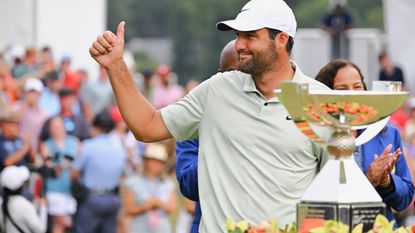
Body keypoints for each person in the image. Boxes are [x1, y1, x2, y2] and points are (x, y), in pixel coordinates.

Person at [89, 0, 329, 231]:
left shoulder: (319, 101)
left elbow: (336, 188)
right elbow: (147, 126)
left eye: (250, 36)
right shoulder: (217, 89)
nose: (239, 45)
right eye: (237, 36)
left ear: (281, 40)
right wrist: (116, 66)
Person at [315, 59, 414, 224]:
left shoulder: (387, 132)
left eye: (357, 86)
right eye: (342, 89)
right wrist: (368, 180)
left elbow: (405, 198)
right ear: (327, 94)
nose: (353, 93)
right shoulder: (316, 137)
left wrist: (387, 182)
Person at [175, 39, 238, 233]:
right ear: (219, 76)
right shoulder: (196, 117)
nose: (241, 81)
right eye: (233, 73)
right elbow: (188, 185)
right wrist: (222, 148)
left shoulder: (273, 114)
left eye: (248, 75)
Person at [71, 109, 127, 233]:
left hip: (92, 198)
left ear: (95, 127)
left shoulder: (88, 145)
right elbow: (123, 173)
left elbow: (74, 173)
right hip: (113, 199)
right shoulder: (119, 149)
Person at [122, 143, 177, 233]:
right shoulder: (133, 182)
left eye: (158, 162)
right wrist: (145, 206)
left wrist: (159, 204)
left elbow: (172, 207)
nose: (155, 164)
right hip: (139, 228)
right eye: (152, 161)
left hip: (162, 229)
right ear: (146, 161)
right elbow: (128, 209)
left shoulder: (168, 184)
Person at [0, 165, 47, 233]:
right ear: (22, 184)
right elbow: (40, 230)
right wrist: (43, 207)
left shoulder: (2, 202)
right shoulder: (23, 205)